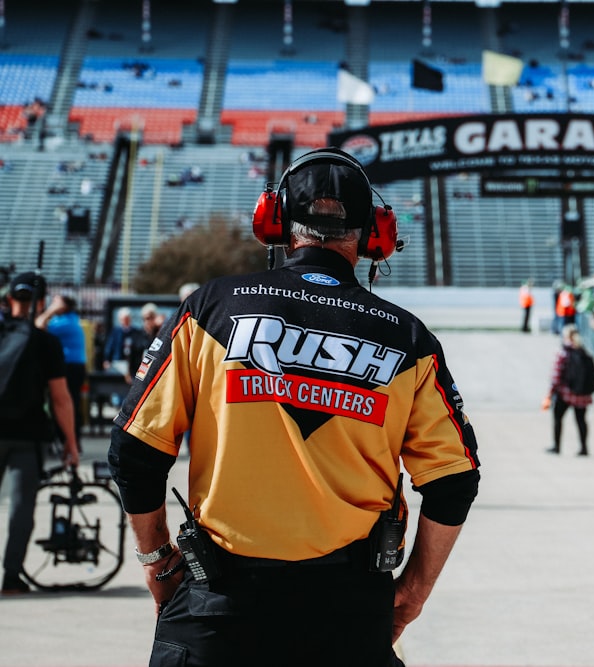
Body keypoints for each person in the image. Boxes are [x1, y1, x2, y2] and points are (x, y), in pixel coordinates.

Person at [107, 147, 481, 665]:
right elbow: (454, 479)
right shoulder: (410, 340)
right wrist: (412, 592)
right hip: (347, 613)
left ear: (274, 222)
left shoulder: (209, 309)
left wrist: (156, 560)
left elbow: (133, 448)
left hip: (217, 606)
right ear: (376, 234)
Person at [1, 272, 80, 594]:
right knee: (21, 509)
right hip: (28, 435)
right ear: (43, 301)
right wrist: (71, 444)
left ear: (9, 300)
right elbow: (60, 399)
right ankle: (11, 577)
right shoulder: (46, 343)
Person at [35, 294, 87, 448]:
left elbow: (38, 326)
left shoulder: (66, 321)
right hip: (72, 366)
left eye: (56, 302)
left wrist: (50, 311)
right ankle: (67, 439)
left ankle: (69, 440)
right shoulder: (67, 319)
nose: (52, 303)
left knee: (65, 403)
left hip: (70, 366)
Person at [542, 324, 594, 456]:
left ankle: (556, 446)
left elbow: (556, 376)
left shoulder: (563, 352)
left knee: (558, 418)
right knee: (581, 420)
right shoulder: (584, 351)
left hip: (565, 392)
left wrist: (550, 393)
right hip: (582, 393)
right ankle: (584, 448)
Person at [102, 306, 144, 378]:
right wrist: (107, 359)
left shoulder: (136, 332)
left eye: (127, 319)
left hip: (132, 363)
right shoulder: (115, 332)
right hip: (117, 360)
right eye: (123, 319)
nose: (125, 321)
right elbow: (110, 346)